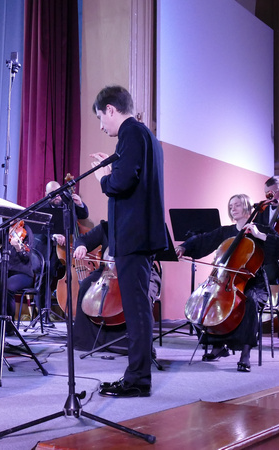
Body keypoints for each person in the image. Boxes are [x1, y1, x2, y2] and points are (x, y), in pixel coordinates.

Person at [87, 85, 167, 398]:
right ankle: (136, 376)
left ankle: (137, 380)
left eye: (100, 117)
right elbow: (133, 178)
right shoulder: (146, 136)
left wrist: (103, 176)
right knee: (138, 307)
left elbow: (120, 183)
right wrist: (113, 169)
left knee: (136, 309)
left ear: (110, 109)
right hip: (140, 234)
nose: (100, 126)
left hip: (134, 235)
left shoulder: (130, 133)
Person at [176, 194, 279, 372]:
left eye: (237, 205)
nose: (233, 209)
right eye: (231, 206)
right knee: (204, 300)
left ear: (247, 207)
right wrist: (184, 247)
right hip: (226, 281)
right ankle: (217, 345)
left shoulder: (261, 229)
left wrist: (259, 235)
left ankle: (245, 353)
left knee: (250, 301)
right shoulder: (225, 232)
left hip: (255, 282)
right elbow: (203, 239)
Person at [0, 220, 38, 332]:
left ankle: (8, 326)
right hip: (4, 270)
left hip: (23, 273)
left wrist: (18, 247)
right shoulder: (4, 230)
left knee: (7, 287)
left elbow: (27, 257)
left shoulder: (26, 230)